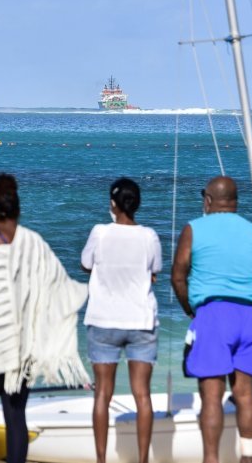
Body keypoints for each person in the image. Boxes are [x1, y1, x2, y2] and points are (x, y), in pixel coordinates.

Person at [0, 173, 89, 463]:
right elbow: (56, 289)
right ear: (18, 210)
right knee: (15, 416)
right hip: (24, 347)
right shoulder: (36, 244)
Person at [171, 176, 252, 463]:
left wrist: (190, 308)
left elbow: (178, 275)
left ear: (208, 200)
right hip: (251, 316)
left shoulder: (195, 228)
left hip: (214, 315)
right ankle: (248, 458)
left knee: (212, 396)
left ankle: (212, 459)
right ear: (235, 201)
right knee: (245, 393)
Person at [81, 177, 162, 463]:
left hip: (104, 319)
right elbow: (155, 270)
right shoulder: (149, 235)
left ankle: (101, 459)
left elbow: (85, 263)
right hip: (140, 320)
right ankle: (142, 460)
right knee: (143, 396)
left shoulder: (100, 232)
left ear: (113, 204)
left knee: (103, 393)